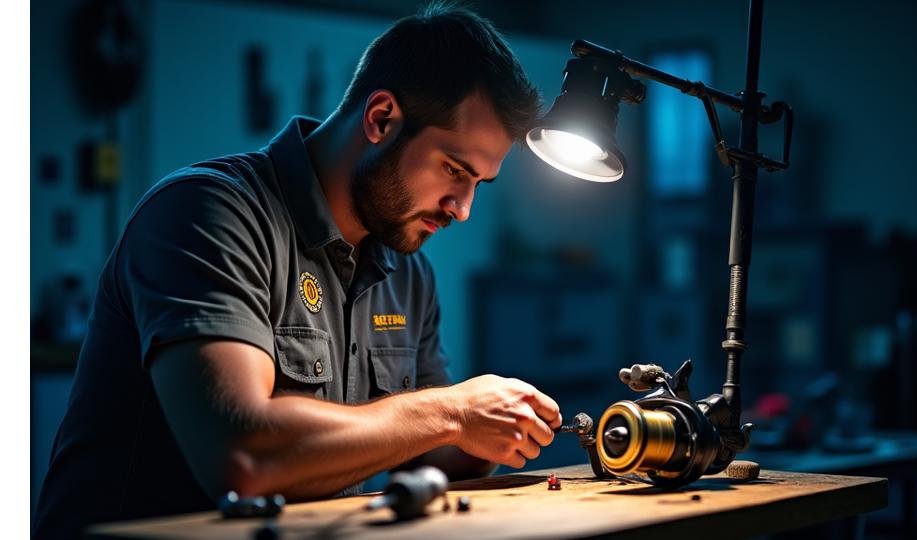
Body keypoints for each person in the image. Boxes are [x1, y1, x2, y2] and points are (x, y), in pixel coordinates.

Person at [33, 4, 562, 538]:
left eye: (478, 183)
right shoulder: (207, 212)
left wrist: (498, 427)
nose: (462, 208)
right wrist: (453, 412)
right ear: (381, 118)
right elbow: (242, 457)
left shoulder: (406, 272)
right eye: (454, 170)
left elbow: (426, 455)